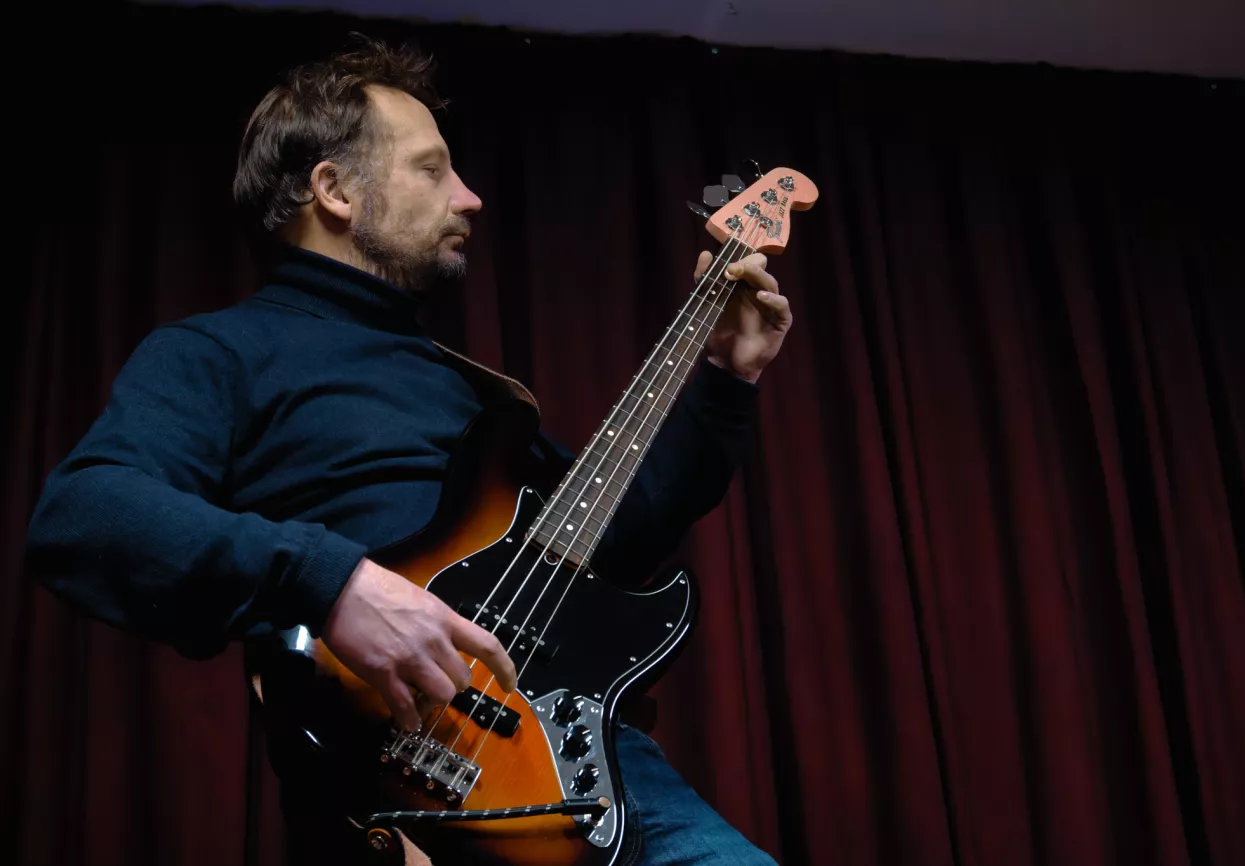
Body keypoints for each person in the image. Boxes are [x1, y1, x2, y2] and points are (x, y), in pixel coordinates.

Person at [25, 36, 790, 866]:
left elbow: (612, 548)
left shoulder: (475, 395)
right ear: (335, 191)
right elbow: (83, 514)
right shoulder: (216, 353)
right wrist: (335, 583)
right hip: (399, 786)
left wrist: (727, 379)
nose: (470, 198)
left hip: (599, 771)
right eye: (432, 170)